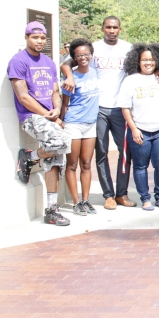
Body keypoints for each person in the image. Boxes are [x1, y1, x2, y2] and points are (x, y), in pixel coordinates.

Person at [61, 16, 136, 210]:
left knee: (125, 152)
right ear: (102, 28)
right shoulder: (92, 48)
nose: (111, 30)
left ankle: (122, 193)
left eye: (115, 27)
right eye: (108, 27)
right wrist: (68, 74)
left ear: (120, 29)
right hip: (98, 109)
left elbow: (144, 65)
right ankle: (108, 195)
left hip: (120, 107)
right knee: (101, 152)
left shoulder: (128, 48)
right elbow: (67, 63)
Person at [11, 22, 71, 226]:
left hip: (49, 115)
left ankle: (51, 211)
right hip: (31, 117)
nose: (39, 41)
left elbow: (55, 91)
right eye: (35, 37)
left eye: (43, 38)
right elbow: (23, 97)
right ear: (27, 37)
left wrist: (56, 111)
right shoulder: (18, 61)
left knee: (55, 160)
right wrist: (47, 114)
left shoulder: (48, 61)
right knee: (63, 142)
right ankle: (30, 156)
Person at [118, 43, 159, 211]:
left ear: (158, 61)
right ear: (138, 61)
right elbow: (125, 107)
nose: (148, 63)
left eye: (151, 59)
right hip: (140, 130)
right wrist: (134, 129)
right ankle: (145, 198)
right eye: (144, 60)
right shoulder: (130, 81)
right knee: (140, 166)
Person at [60, 38, 100, 216]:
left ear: (91, 55)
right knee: (72, 164)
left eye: (86, 54)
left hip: (90, 124)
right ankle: (76, 202)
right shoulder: (71, 78)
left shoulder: (96, 71)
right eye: (79, 55)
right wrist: (60, 121)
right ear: (74, 57)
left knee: (86, 163)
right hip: (74, 123)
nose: (83, 58)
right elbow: (65, 103)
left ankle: (85, 200)